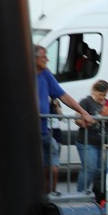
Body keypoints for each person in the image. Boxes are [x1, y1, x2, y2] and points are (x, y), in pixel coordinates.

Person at [35, 44, 93, 194]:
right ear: (34, 58)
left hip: (43, 132)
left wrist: (82, 111)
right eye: (44, 56)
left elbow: (63, 96)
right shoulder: (24, 73)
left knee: (53, 170)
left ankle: (50, 203)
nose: (47, 59)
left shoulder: (46, 74)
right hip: (29, 133)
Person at [77, 80, 108, 196]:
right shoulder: (85, 102)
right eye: (100, 94)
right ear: (94, 91)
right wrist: (96, 119)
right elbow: (78, 121)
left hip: (103, 143)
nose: (102, 97)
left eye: (105, 95)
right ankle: (80, 195)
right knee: (90, 168)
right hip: (87, 141)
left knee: (101, 171)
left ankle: (97, 196)